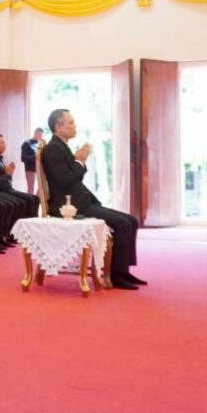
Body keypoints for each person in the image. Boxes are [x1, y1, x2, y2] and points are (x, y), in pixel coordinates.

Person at [43, 108, 145, 289]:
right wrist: (79, 161)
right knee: (123, 224)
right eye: (71, 122)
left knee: (132, 221)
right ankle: (116, 275)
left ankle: (123, 271)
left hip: (81, 201)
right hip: (70, 206)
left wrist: (78, 161)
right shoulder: (53, 149)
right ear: (58, 127)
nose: (75, 126)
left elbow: (73, 178)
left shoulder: (61, 146)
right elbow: (63, 180)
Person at [0, 133, 40, 219]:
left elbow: (7, 180)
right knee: (29, 200)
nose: (5, 145)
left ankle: (29, 224)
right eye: (2, 142)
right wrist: (7, 173)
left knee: (35, 198)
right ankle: (24, 224)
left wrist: (10, 173)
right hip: (1, 192)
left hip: (8, 189)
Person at [21, 127, 45, 195]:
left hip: (39, 168)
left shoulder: (39, 144)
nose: (40, 137)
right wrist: (35, 157)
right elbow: (23, 158)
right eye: (39, 135)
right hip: (30, 169)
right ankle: (30, 201)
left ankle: (36, 199)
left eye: (41, 136)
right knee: (31, 188)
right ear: (35, 133)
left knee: (42, 186)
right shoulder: (26, 143)